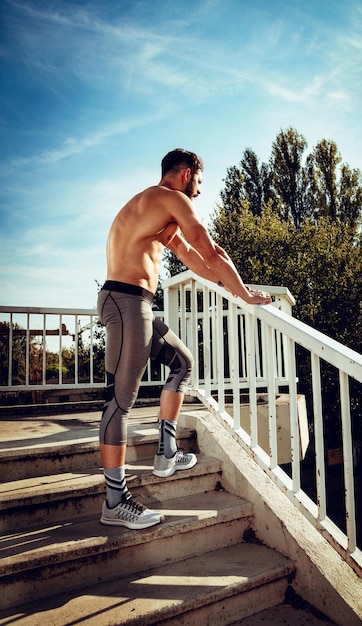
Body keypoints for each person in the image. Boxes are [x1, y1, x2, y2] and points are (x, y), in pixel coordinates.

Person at [97, 148, 272, 530]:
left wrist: (227, 283)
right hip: (126, 302)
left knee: (182, 363)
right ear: (186, 173)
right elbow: (213, 249)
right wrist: (245, 295)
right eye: (199, 182)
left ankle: (166, 451)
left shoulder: (153, 208)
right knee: (119, 402)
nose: (199, 192)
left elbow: (194, 258)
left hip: (134, 303)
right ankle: (114, 500)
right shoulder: (170, 198)